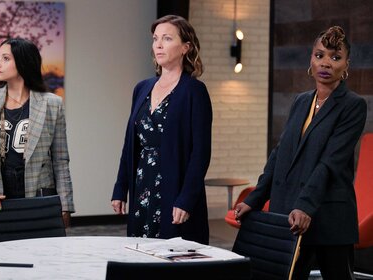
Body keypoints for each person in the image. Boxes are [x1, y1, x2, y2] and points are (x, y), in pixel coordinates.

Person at [235, 26, 367, 279]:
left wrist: (305, 206)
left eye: (335, 57)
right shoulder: (300, 101)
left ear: (346, 64)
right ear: (311, 59)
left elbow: (331, 162)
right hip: (289, 213)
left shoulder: (353, 106)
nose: (326, 63)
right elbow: (279, 155)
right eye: (319, 55)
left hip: (329, 215)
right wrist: (255, 198)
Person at [111, 15, 212, 244]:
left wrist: (186, 199)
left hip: (175, 187)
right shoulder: (142, 88)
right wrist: (121, 187)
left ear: (185, 47)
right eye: (156, 39)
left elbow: (201, 153)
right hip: (142, 184)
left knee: (173, 258)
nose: (158, 44)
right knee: (140, 252)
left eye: (167, 39)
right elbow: (131, 143)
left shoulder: (194, 91)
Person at [0, 38, 74, 227]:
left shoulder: (52, 104)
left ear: (24, 63)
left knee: (38, 253)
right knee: (1, 251)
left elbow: (60, 159)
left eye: (5, 58)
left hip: (40, 192)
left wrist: (65, 205)